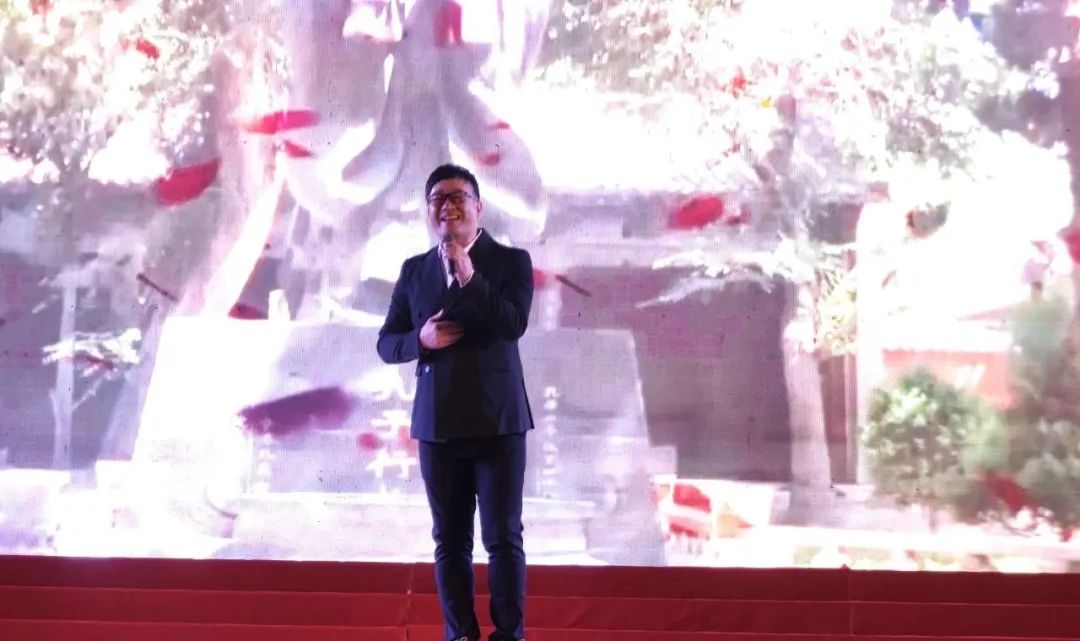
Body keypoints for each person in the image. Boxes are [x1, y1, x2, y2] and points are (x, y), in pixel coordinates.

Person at [376, 164, 534, 641]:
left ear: (478, 207)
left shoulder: (510, 261)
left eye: (457, 197)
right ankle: (460, 634)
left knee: (503, 538)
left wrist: (469, 276)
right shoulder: (414, 270)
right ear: (428, 212)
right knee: (449, 541)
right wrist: (419, 340)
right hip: (438, 424)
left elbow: (513, 325)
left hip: (497, 421)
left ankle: (508, 635)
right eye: (437, 199)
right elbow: (387, 343)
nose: (447, 206)